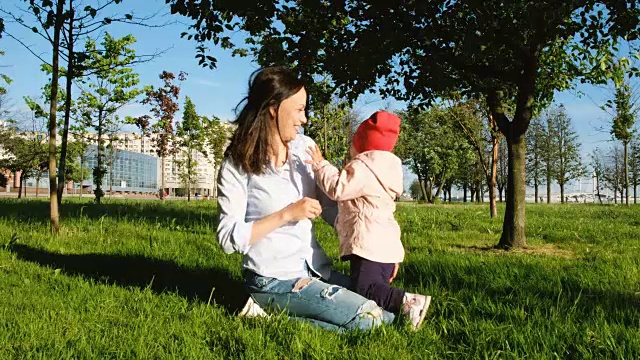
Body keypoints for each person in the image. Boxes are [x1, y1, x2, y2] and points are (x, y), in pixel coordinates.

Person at [216, 66, 395, 332]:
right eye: (299, 109)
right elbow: (227, 238)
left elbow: (333, 208)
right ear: (274, 108)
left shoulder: (304, 148)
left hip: (315, 271)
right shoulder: (238, 166)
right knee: (371, 320)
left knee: (387, 306)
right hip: (272, 279)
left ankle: (268, 315)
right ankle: (262, 313)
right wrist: (286, 214)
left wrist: (379, 248)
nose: (305, 119)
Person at [305, 110, 432, 330]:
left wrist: (320, 165)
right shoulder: (386, 170)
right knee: (374, 288)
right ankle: (398, 319)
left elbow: (337, 188)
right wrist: (393, 257)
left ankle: (408, 302)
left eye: (353, 143)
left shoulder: (364, 166)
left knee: (363, 288)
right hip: (384, 246)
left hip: (367, 245)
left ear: (362, 144)